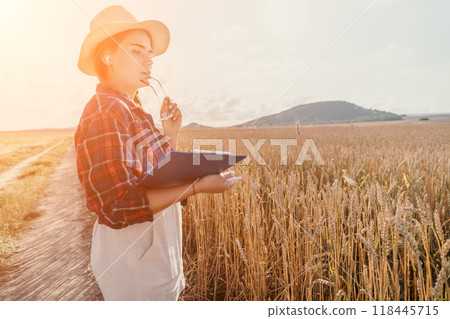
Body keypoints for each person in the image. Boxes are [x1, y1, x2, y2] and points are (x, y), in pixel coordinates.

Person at [74, 5, 239, 301]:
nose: (149, 61)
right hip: (132, 256)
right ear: (108, 56)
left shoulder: (131, 110)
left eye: (149, 54)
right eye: (137, 51)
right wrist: (197, 186)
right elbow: (115, 205)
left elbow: (158, 174)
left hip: (153, 251)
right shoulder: (106, 111)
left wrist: (170, 133)